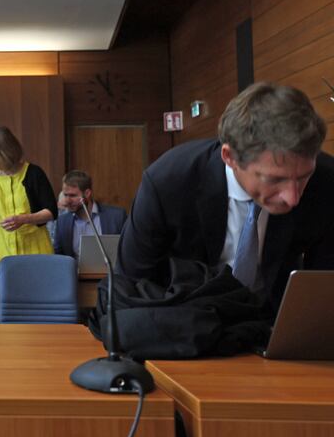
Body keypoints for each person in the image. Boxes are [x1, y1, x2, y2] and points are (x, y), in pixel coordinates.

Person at [119, 82, 334, 314]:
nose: (293, 198)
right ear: (229, 157)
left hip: (274, 327)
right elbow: (130, 286)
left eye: (303, 177)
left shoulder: (327, 180)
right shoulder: (169, 182)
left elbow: (324, 286)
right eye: (274, 180)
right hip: (185, 322)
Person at [0, 126, 57, 264]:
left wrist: (24, 219)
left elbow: (51, 212)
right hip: (0, 252)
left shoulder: (34, 173)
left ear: (5, 153)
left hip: (35, 249)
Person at [53, 170, 127, 258]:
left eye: (73, 195)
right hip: (74, 271)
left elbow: (128, 249)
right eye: (65, 195)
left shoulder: (116, 217)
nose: (67, 201)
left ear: (87, 193)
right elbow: (58, 257)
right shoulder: (62, 222)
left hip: (109, 270)